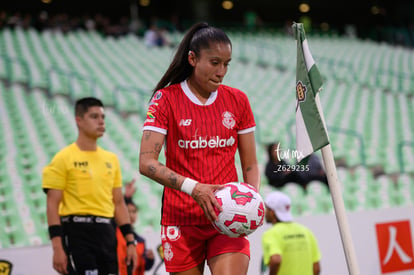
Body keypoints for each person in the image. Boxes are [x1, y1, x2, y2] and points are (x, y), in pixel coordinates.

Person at [138, 22, 260, 275]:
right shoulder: (165, 99)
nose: (221, 71)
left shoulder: (238, 100)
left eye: (226, 64)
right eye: (214, 63)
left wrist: (250, 203)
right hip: (181, 219)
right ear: (192, 58)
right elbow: (147, 163)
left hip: (227, 217)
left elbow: (250, 164)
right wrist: (195, 188)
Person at [42, 97, 137, 275]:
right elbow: (52, 205)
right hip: (77, 232)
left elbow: (118, 203)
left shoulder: (112, 159)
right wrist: (57, 247)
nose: (101, 121)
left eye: (103, 116)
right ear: (79, 120)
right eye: (94, 116)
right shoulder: (63, 158)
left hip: (107, 232)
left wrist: (130, 241)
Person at [262, 191, 321, 275]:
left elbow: (276, 259)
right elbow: (316, 268)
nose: (265, 212)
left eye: (267, 208)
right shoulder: (306, 231)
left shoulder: (271, 234)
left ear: (272, 212)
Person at [117, 179, 155, 275]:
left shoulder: (141, 241)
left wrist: (150, 260)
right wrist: (126, 198)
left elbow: (143, 266)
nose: (131, 215)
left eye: (134, 211)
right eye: (128, 211)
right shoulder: (115, 233)